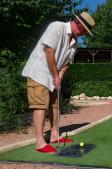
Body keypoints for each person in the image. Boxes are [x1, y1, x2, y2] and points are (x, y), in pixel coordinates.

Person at [22, 12, 95, 153]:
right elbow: (49, 51)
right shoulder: (57, 27)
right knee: (40, 105)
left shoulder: (74, 44)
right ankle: (40, 142)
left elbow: (67, 62)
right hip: (39, 72)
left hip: (53, 76)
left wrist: (60, 75)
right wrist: (56, 74)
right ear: (78, 24)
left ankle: (55, 135)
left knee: (55, 105)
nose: (84, 34)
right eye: (84, 31)